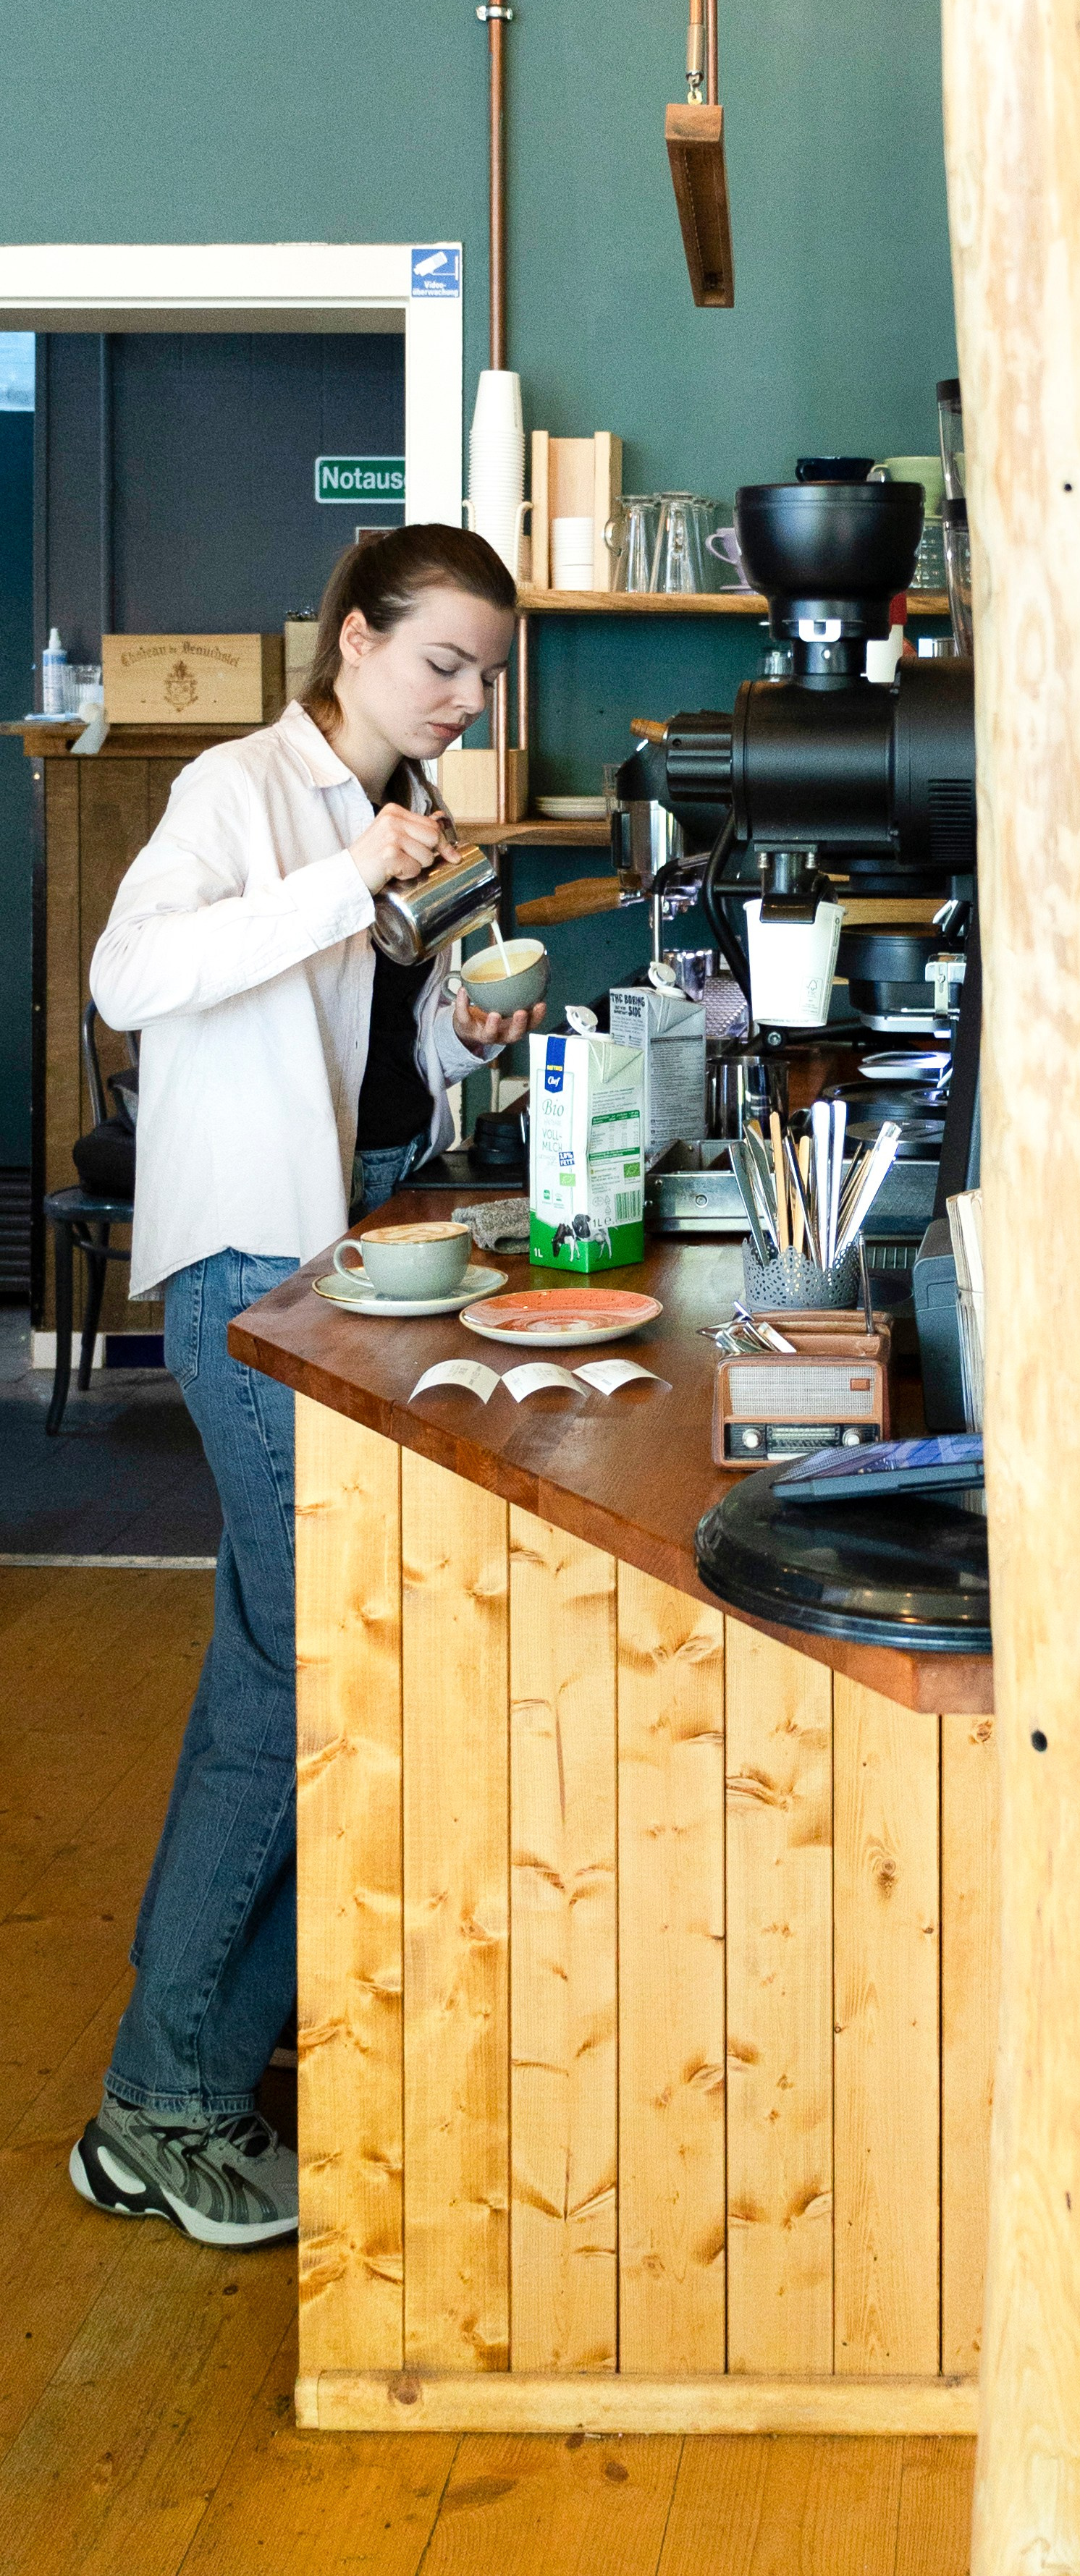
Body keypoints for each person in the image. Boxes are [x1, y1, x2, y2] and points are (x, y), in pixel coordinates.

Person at [74, 523, 545, 2245]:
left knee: (274, 1672)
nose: (464, 695)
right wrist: (347, 877)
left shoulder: (385, 833)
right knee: (314, 1677)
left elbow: (357, 1064)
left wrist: (462, 1033)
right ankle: (161, 2102)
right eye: (442, 660)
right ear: (350, 643)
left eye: (484, 672)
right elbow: (136, 981)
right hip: (233, 1281)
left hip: (325, 1276)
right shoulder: (238, 792)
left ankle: (200, 2043)